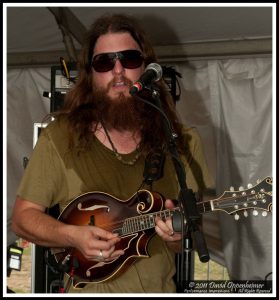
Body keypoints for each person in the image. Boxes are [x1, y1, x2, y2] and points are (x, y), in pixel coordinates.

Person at [11, 13, 212, 293]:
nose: (118, 70)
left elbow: (181, 239)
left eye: (128, 59)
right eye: (104, 62)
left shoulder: (183, 141)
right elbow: (22, 218)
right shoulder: (60, 138)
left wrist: (176, 235)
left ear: (145, 67)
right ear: (91, 74)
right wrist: (72, 235)